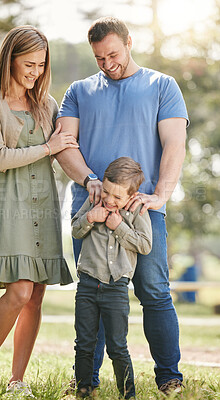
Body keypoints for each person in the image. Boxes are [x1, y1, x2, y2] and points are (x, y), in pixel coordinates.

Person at [55, 16, 189, 395]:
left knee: (153, 289)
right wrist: (88, 180)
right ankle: (87, 382)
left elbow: (174, 144)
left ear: (129, 43)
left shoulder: (162, 85)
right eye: (99, 58)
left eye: (112, 54)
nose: (107, 63)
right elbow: (65, 145)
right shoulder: (79, 90)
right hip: (91, 209)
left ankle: (169, 377)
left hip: (142, 210)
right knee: (93, 292)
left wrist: (160, 195)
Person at [0, 25, 78, 400]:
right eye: (29, 64)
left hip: (43, 203)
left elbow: (64, 149)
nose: (35, 73)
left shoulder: (47, 104)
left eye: (41, 66)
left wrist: (95, 179)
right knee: (19, 290)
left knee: (37, 293)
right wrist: (48, 147)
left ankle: (18, 380)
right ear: (9, 58)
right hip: (7, 206)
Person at [72, 157, 152, 399]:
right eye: (107, 191)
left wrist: (119, 226)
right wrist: (90, 218)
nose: (109, 200)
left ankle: (128, 394)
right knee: (84, 343)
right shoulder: (94, 200)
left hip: (116, 287)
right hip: (87, 284)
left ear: (131, 196)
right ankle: (84, 391)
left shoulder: (137, 210)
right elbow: (75, 229)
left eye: (118, 197)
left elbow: (145, 245)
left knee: (117, 346)